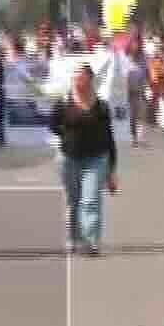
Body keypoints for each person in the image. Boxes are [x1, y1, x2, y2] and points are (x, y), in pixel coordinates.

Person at [50, 61, 118, 256]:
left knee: (90, 200)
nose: (77, 80)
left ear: (90, 79)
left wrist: (112, 171)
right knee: (73, 200)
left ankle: (90, 241)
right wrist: (67, 136)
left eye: (81, 77)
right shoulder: (63, 102)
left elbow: (109, 138)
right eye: (75, 77)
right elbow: (53, 126)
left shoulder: (102, 106)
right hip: (68, 158)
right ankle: (73, 237)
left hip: (96, 159)